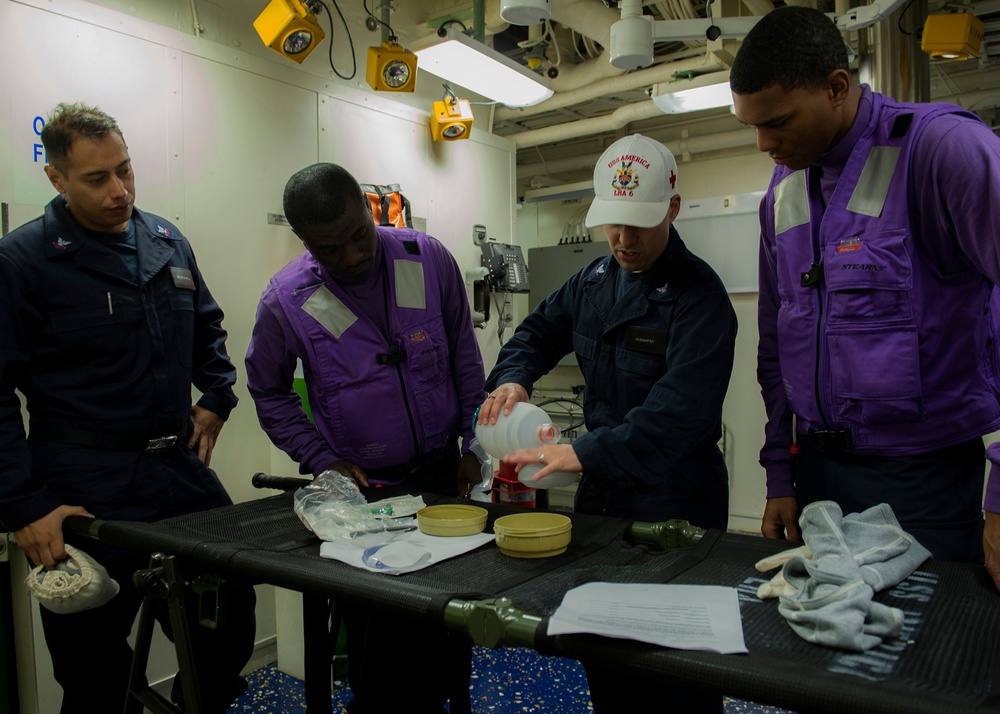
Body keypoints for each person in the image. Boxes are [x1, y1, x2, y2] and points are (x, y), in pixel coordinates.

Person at [730, 5, 1000, 589]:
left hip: (921, 481)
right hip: (818, 481)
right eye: (749, 125)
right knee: (824, 661)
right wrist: (779, 471)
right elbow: (776, 345)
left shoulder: (943, 151)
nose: (761, 143)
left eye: (777, 121)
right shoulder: (781, 194)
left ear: (836, 88)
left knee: (930, 663)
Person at [0, 102, 256, 713]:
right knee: (93, 678)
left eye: (126, 170)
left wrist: (217, 396)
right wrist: (23, 505)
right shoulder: (24, 261)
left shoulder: (165, 241)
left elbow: (209, 330)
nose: (120, 191)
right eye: (97, 179)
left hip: (177, 472)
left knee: (224, 628)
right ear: (57, 178)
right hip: (82, 480)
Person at [478, 133, 738, 713]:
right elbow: (535, 333)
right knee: (608, 654)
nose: (623, 239)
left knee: (674, 670)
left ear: (672, 207)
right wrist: (514, 379)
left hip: (676, 500)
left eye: (639, 224)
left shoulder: (701, 298)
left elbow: (678, 414)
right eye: (613, 223)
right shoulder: (592, 281)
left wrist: (582, 454)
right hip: (604, 498)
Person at [244, 162, 486, 713]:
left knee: (448, 635)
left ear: (369, 209)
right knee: (384, 660)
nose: (352, 256)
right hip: (366, 500)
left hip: (439, 483)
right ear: (304, 242)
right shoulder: (288, 301)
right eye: (330, 249)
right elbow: (268, 392)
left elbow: (464, 361)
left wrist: (474, 444)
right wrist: (321, 459)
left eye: (359, 236)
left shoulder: (425, 261)